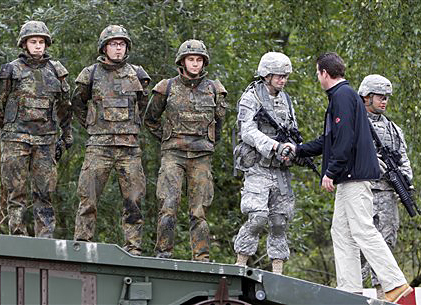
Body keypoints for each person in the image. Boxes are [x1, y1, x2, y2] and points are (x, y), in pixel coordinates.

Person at [285, 52, 412, 302]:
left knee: (363, 229)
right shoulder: (343, 96)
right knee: (341, 232)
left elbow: (344, 139)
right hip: (349, 177)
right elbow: (329, 140)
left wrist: (330, 171)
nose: (317, 78)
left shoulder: (342, 96)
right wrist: (298, 149)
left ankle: (396, 284)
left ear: (323, 72)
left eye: (317, 73)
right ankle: (349, 289)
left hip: (352, 175)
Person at [144, 39, 227, 262]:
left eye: (199, 60)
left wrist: (208, 143)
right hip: (173, 155)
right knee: (168, 205)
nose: (195, 64)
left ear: (204, 63)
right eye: (191, 59)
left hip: (201, 156)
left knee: (199, 211)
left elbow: (220, 123)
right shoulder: (166, 87)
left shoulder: (214, 90)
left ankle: (201, 257)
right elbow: (150, 119)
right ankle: (163, 254)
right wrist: (167, 138)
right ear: (182, 61)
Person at [72, 25, 150, 255]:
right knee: (88, 198)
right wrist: (92, 125)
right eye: (114, 44)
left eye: (122, 44)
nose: (118, 48)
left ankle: (134, 248)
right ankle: (82, 245)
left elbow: (144, 107)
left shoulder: (137, 74)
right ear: (104, 47)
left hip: (129, 148)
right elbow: (77, 103)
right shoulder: (90, 73)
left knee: (134, 201)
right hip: (98, 147)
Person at [0, 20, 72, 238]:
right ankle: (17, 237)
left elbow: (64, 107)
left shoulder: (56, 72)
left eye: (41, 42)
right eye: (34, 41)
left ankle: (45, 241)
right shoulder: (11, 70)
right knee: (15, 192)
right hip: (15, 139)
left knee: (45, 192)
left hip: (46, 141)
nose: (38, 46)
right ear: (24, 44)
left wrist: (66, 136)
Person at [233, 52, 297, 274]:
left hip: (280, 170)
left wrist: (291, 149)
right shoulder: (251, 97)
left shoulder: (286, 100)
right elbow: (247, 131)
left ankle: (277, 272)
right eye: (279, 76)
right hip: (258, 167)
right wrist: (272, 146)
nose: (282, 80)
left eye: (285, 76)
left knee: (279, 221)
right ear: (266, 75)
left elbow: (292, 130)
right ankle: (240, 264)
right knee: (258, 218)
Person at [358, 74, 413, 299]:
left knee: (387, 243)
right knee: (361, 246)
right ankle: (355, 292)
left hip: (389, 194)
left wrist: (406, 181)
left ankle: (383, 293)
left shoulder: (393, 129)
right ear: (367, 97)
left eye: (386, 98)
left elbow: (403, 158)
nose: (384, 102)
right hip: (364, 192)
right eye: (380, 97)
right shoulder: (357, 124)